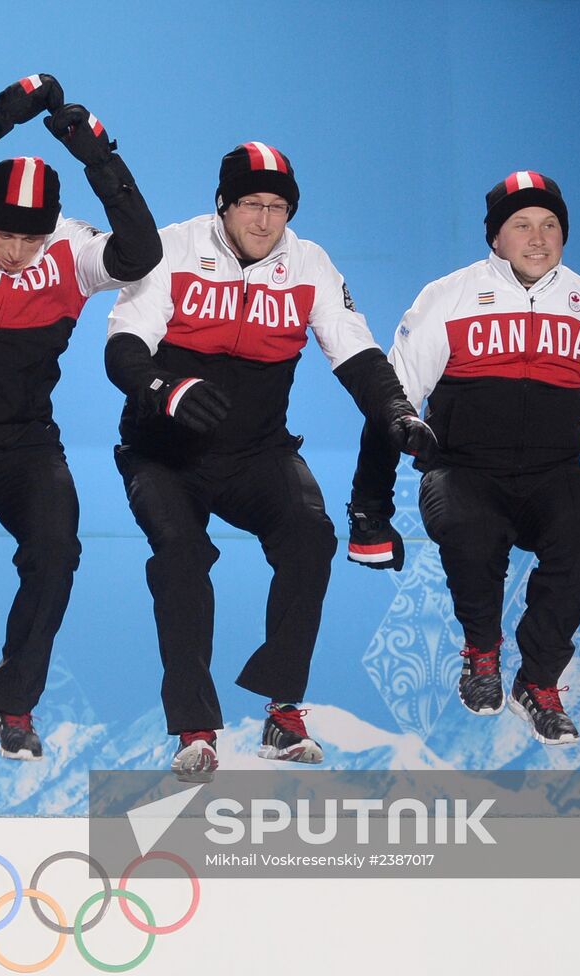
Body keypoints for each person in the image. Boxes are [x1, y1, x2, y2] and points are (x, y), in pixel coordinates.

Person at [105, 142, 434, 782]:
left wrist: (397, 411)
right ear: (222, 205)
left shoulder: (308, 263)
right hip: (162, 453)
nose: (264, 221)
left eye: (278, 207)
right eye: (251, 205)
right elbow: (122, 348)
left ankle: (284, 716)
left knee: (310, 535)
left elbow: (357, 353)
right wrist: (165, 390)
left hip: (255, 451)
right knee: (181, 557)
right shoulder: (171, 248)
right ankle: (196, 731)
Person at [0, 74, 161, 769]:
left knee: (55, 551)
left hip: (22, 441)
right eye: (3, 235)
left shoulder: (71, 251)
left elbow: (142, 253)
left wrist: (95, 153)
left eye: (29, 240)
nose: (16, 252)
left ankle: (16, 702)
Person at [349, 171, 580, 745]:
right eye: (523, 225)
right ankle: (482, 652)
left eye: (551, 225)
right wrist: (370, 511)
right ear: (496, 237)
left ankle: (537, 682)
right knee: (470, 525)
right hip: (462, 470)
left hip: (554, 474)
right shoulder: (447, 296)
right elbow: (393, 403)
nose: (539, 238)